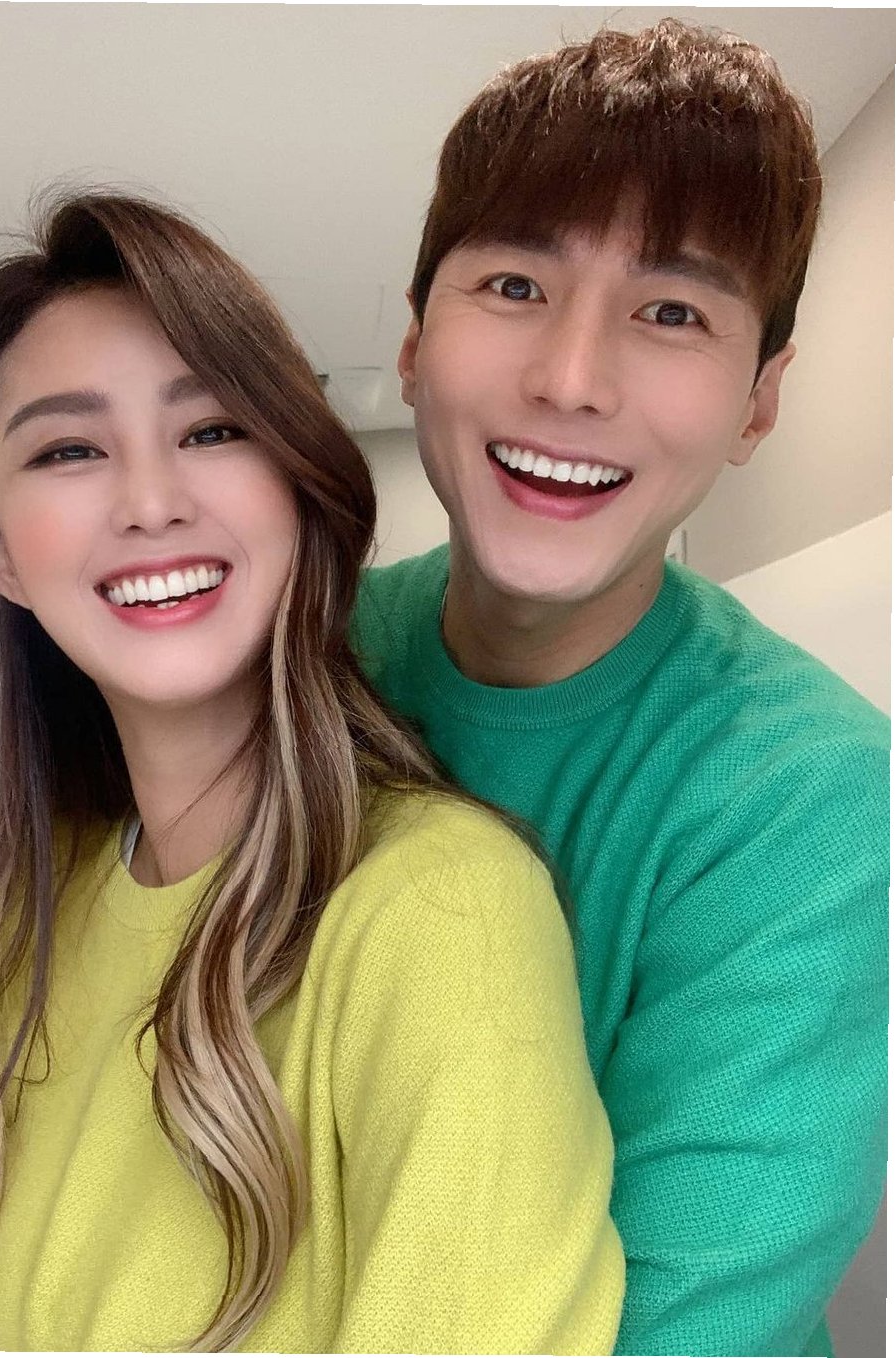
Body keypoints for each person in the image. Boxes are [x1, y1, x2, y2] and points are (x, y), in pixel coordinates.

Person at [0, 191, 623, 1353]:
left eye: (209, 430)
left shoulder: (445, 912)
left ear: (294, 481)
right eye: (67, 449)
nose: (152, 503)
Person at [351, 18, 889, 1358]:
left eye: (671, 312)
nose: (570, 380)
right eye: (514, 284)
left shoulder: (808, 795)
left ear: (758, 402)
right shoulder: (300, 665)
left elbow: (685, 1318)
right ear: (413, 341)